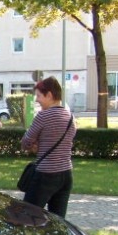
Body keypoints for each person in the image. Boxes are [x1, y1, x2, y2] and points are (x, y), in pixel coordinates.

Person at [21, 76, 76, 218]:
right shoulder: (70, 116)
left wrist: (34, 146)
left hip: (46, 174)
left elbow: (26, 142)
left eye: (39, 96)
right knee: (58, 221)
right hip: (66, 173)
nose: (37, 100)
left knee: (27, 216)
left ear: (49, 95)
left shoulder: (43, 116)